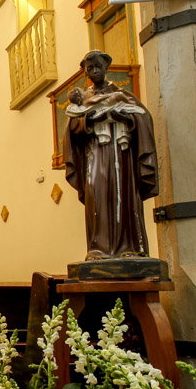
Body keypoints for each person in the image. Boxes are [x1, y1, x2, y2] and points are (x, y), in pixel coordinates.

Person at [64, 50, 159, 260]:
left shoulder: (122, 94)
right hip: (95, 155)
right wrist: (89, 120)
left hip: (121, 154)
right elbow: (72, 128)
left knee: (123, 196)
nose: (94, 71)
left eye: (98, 66)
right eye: (90, 68)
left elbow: (143, 118)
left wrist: (123, 116)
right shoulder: (83, 98)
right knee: (97, 197)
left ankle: (130, 247)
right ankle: (98, 248)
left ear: (106, 68)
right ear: (85, 72)